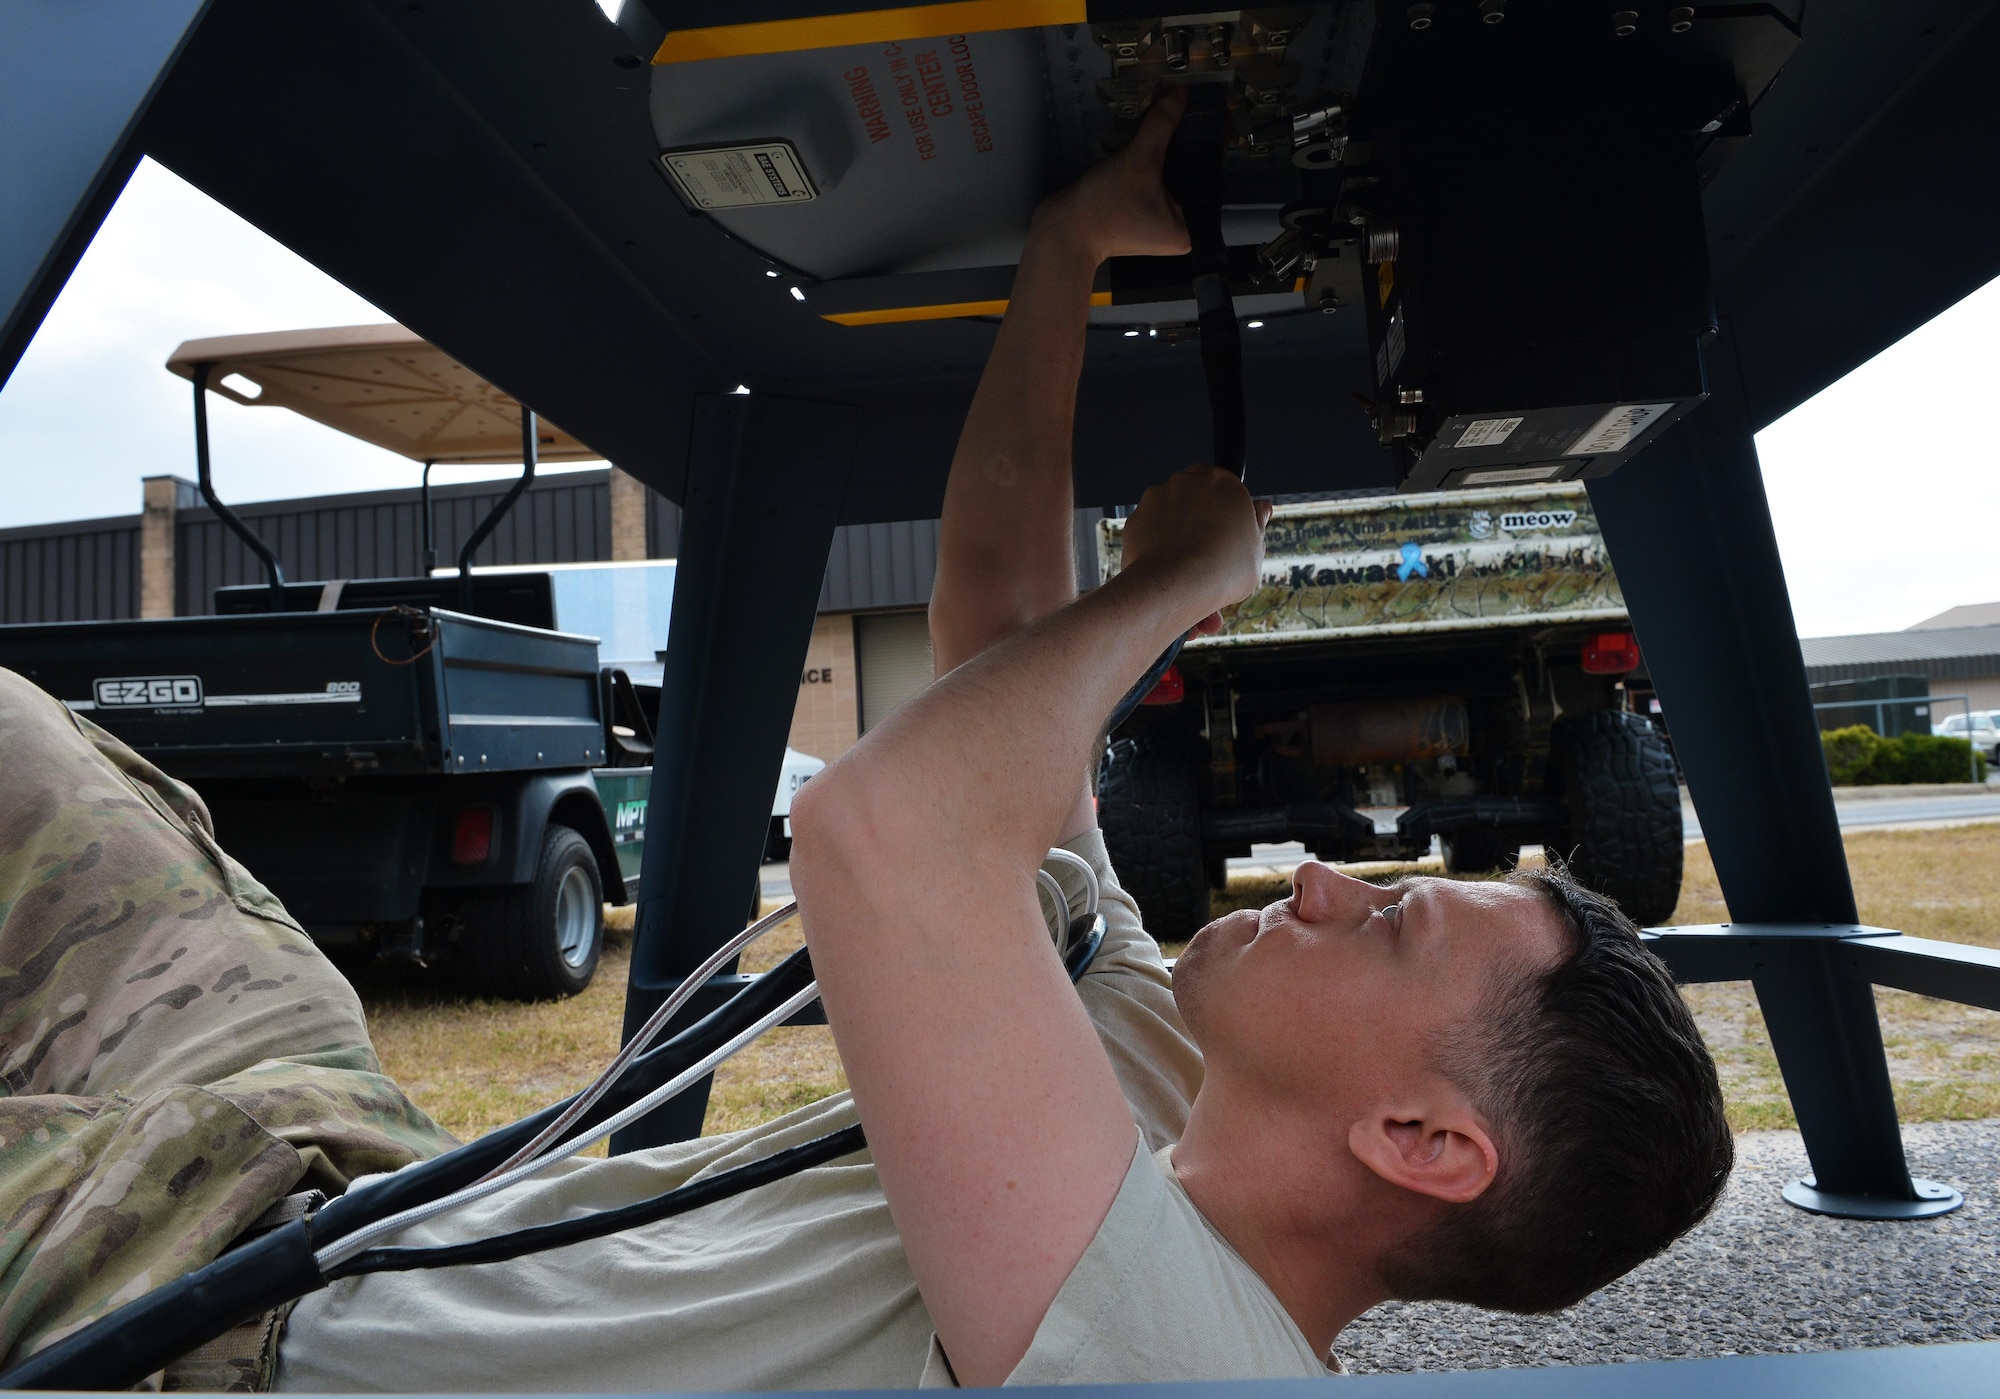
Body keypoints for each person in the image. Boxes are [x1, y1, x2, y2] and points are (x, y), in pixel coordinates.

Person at [0, 91, 1732, 1392]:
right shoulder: (1155, 1085)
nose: (1345, 879)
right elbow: (989, 642)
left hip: (194, 1316)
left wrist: (1183, 589)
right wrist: (1062, 260)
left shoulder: (1190, 1367)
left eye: (1413, 921)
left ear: (1423, 1146)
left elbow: (887, 833)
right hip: (342, 1181)